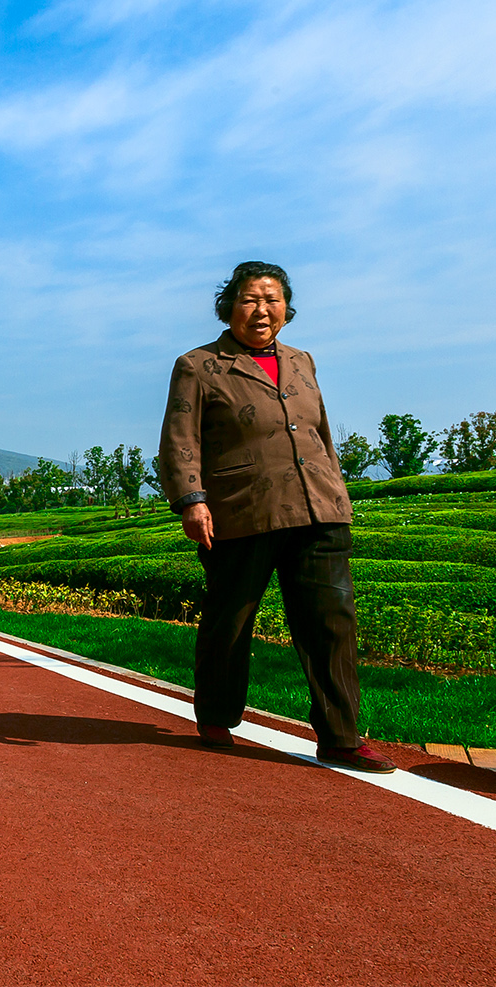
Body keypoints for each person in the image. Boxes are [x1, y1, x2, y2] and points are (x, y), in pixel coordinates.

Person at [156, 261, 396, 774]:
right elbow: (180, 438)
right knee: (231, 618)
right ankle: (216, 713)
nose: (261, 310)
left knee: (332, 622)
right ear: (229, 307)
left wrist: (337, 489)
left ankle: (341, 737)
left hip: (319, 506)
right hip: (242, 511)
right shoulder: (199, 365)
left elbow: (320, 432)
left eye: (272, 299)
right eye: (249, 299)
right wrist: (192, 500)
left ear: (286, 308)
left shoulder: (302, 360)